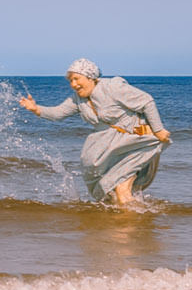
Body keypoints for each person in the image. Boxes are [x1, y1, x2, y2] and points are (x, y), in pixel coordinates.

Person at [18, 59, 172, 206]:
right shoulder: (78, 99)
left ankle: (127, 228)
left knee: (121, 189)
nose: (73, 84)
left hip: (134, 144)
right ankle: (136, 222)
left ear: (90, 76)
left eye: (76, 79)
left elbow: (146, 101)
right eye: (70, 81)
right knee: (112, 192)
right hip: (113, 151)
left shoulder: (113, 87)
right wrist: (36, 109)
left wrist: (158, 130)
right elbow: (58, 113)